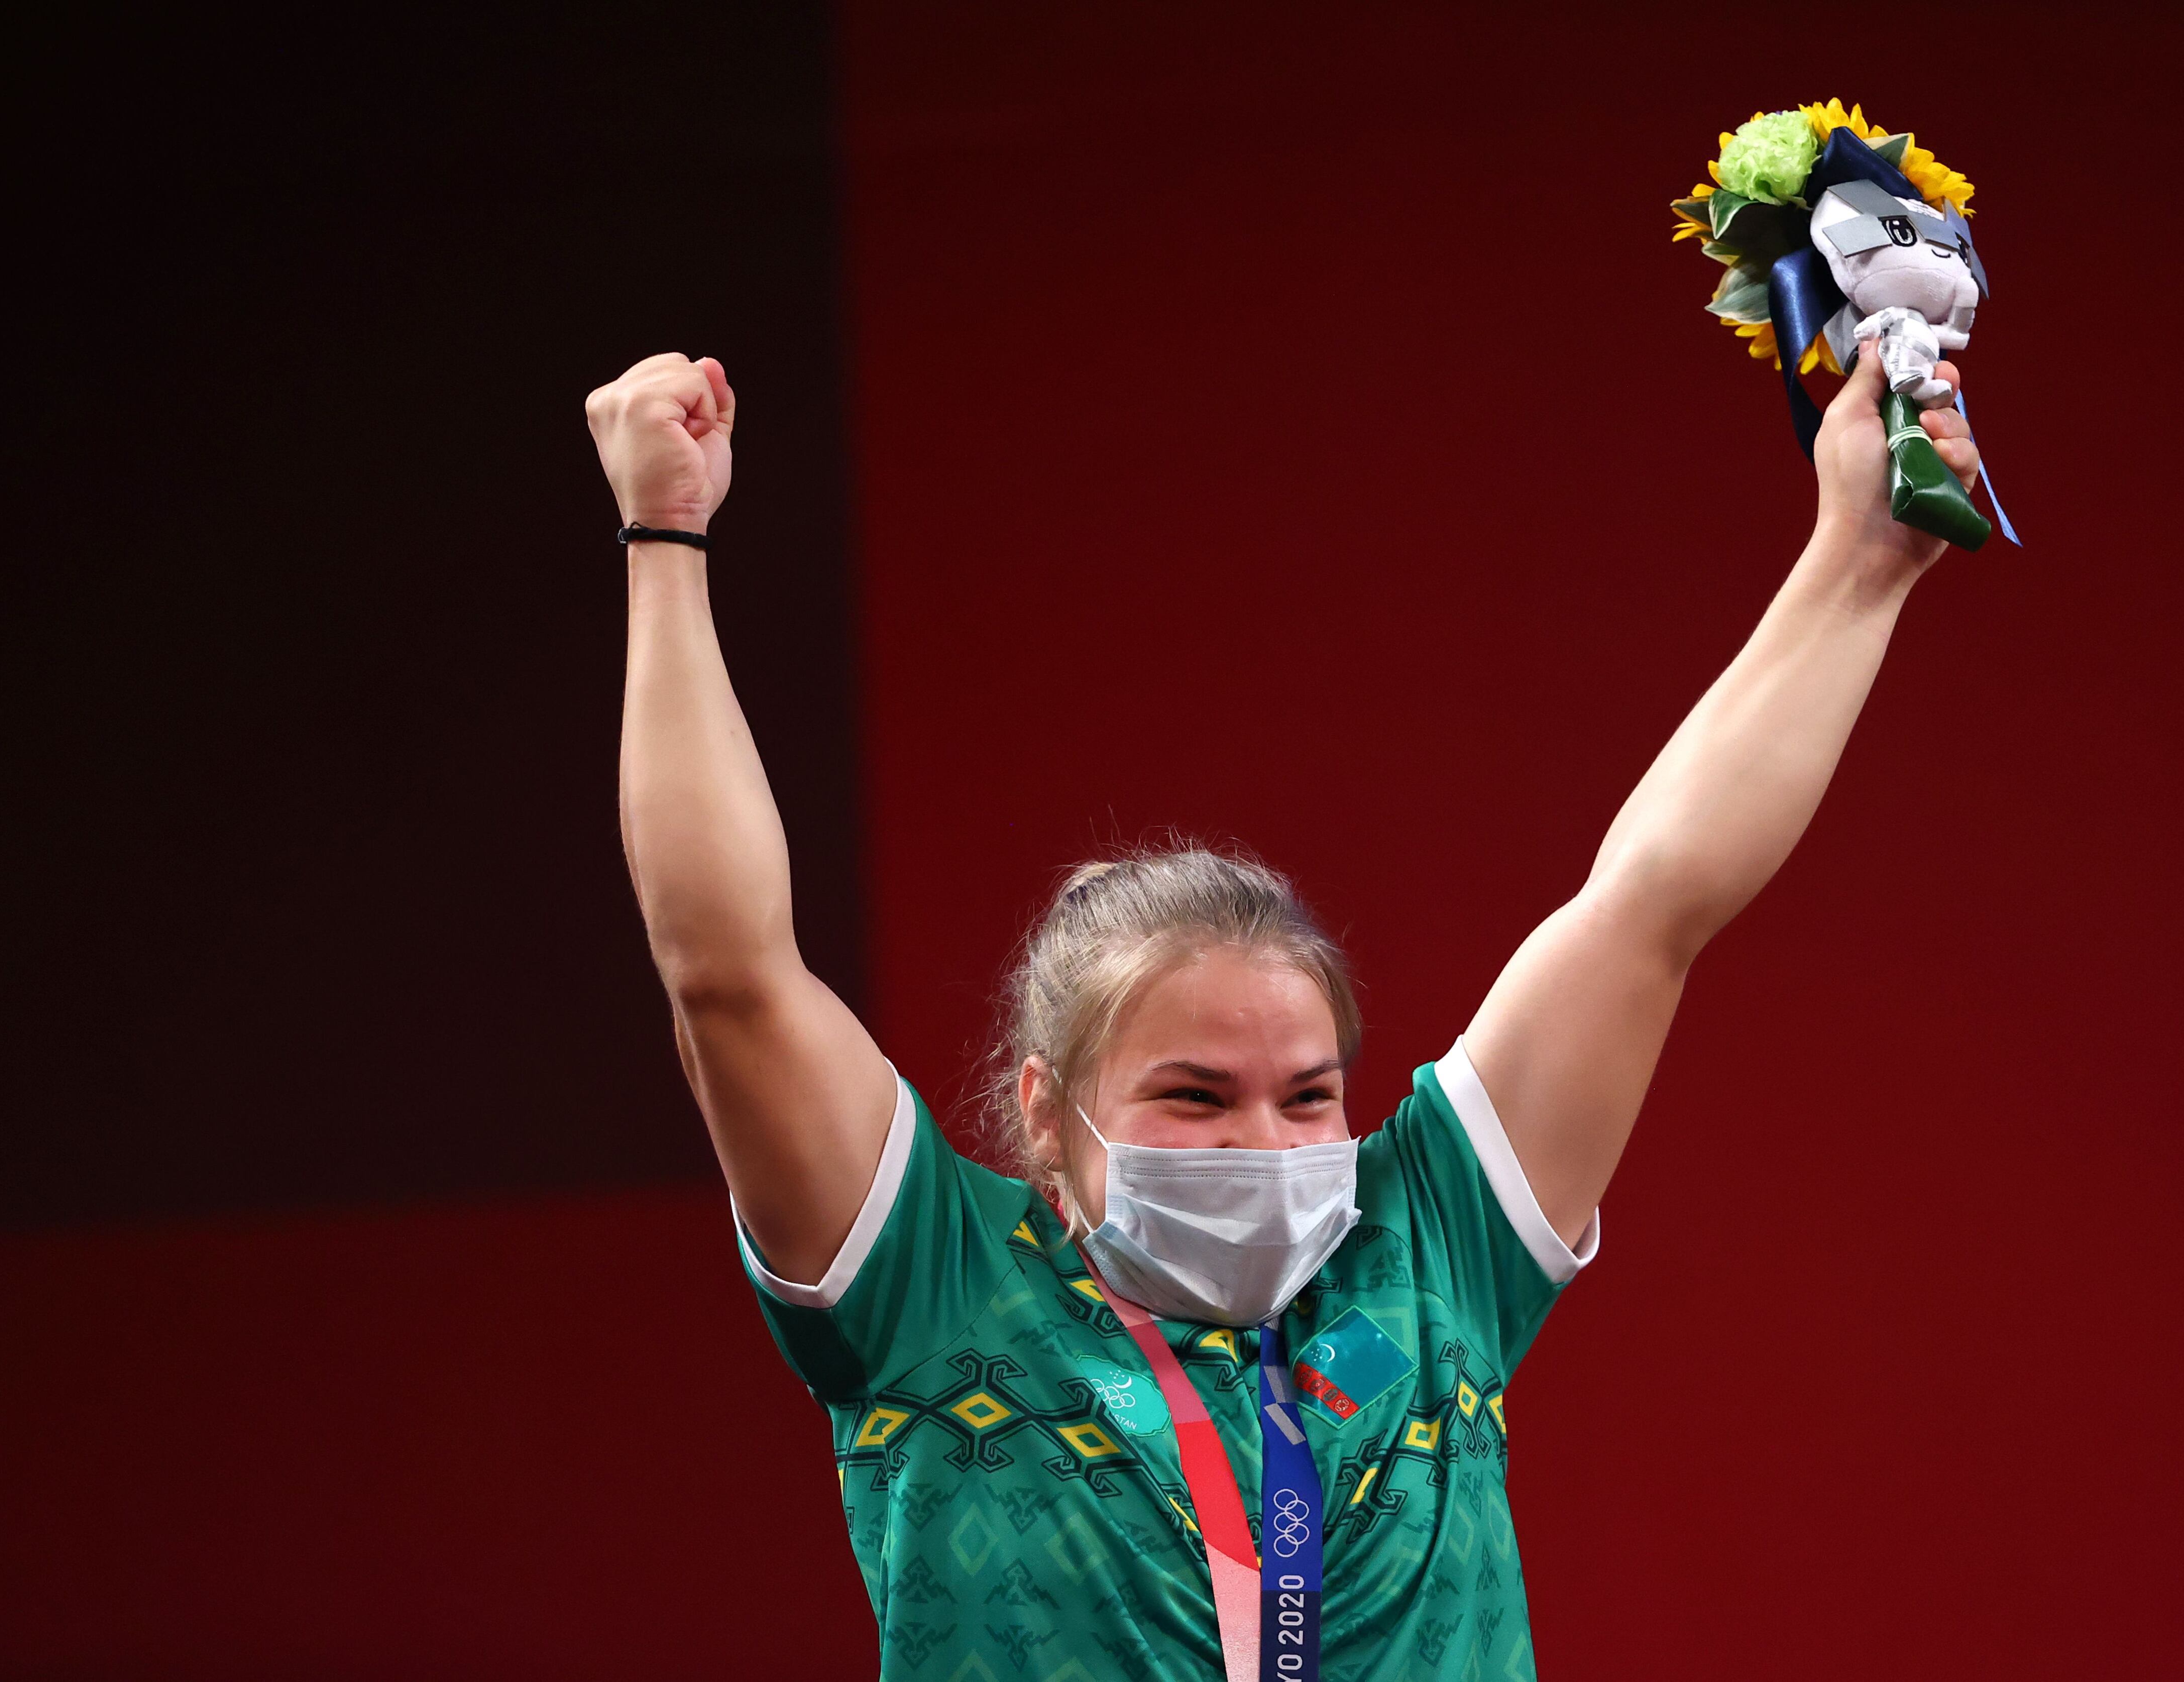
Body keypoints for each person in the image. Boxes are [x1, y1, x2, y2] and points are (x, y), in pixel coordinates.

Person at [584, 341, 1984, 1680]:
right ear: (1042, 1111)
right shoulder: (930, 1288)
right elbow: (727, 971)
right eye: (1194, 1097)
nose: (1267, 1144)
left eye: (1308, 1095)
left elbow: (1654, 900)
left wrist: (1861, 560)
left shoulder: (1429, 1252)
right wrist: (667, 542)